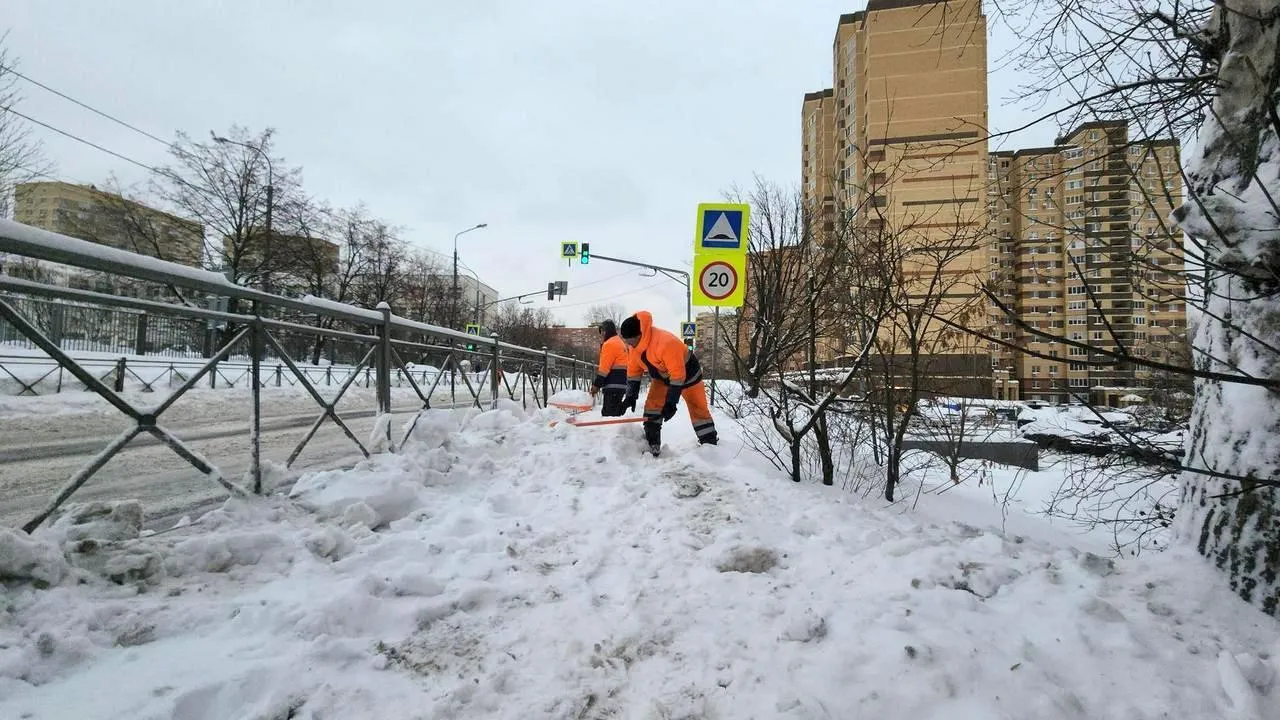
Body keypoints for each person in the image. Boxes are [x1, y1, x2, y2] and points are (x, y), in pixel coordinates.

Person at [619, 310, 717, 454]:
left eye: (629, 341)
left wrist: (671, 402)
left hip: (689, 374)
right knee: (652, 406)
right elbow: (634, 373)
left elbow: (678, 375)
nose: (627, 344)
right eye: (625, 340)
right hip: (663, 377)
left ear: (639, 335)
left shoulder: (665, 342)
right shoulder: (634, 349)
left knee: (698, 408)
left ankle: (710, 445)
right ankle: (652, 444)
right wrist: (630, 396)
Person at [588, 319, 630, 416]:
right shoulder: (618, 341)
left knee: (609, 415)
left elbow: (604, 369)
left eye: (602, 331)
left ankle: (616, 430)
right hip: (620, 383)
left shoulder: (610, 344)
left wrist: (596, 385)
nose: (601, 334)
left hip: (613, 384)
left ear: (607, 331)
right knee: (614, 413)